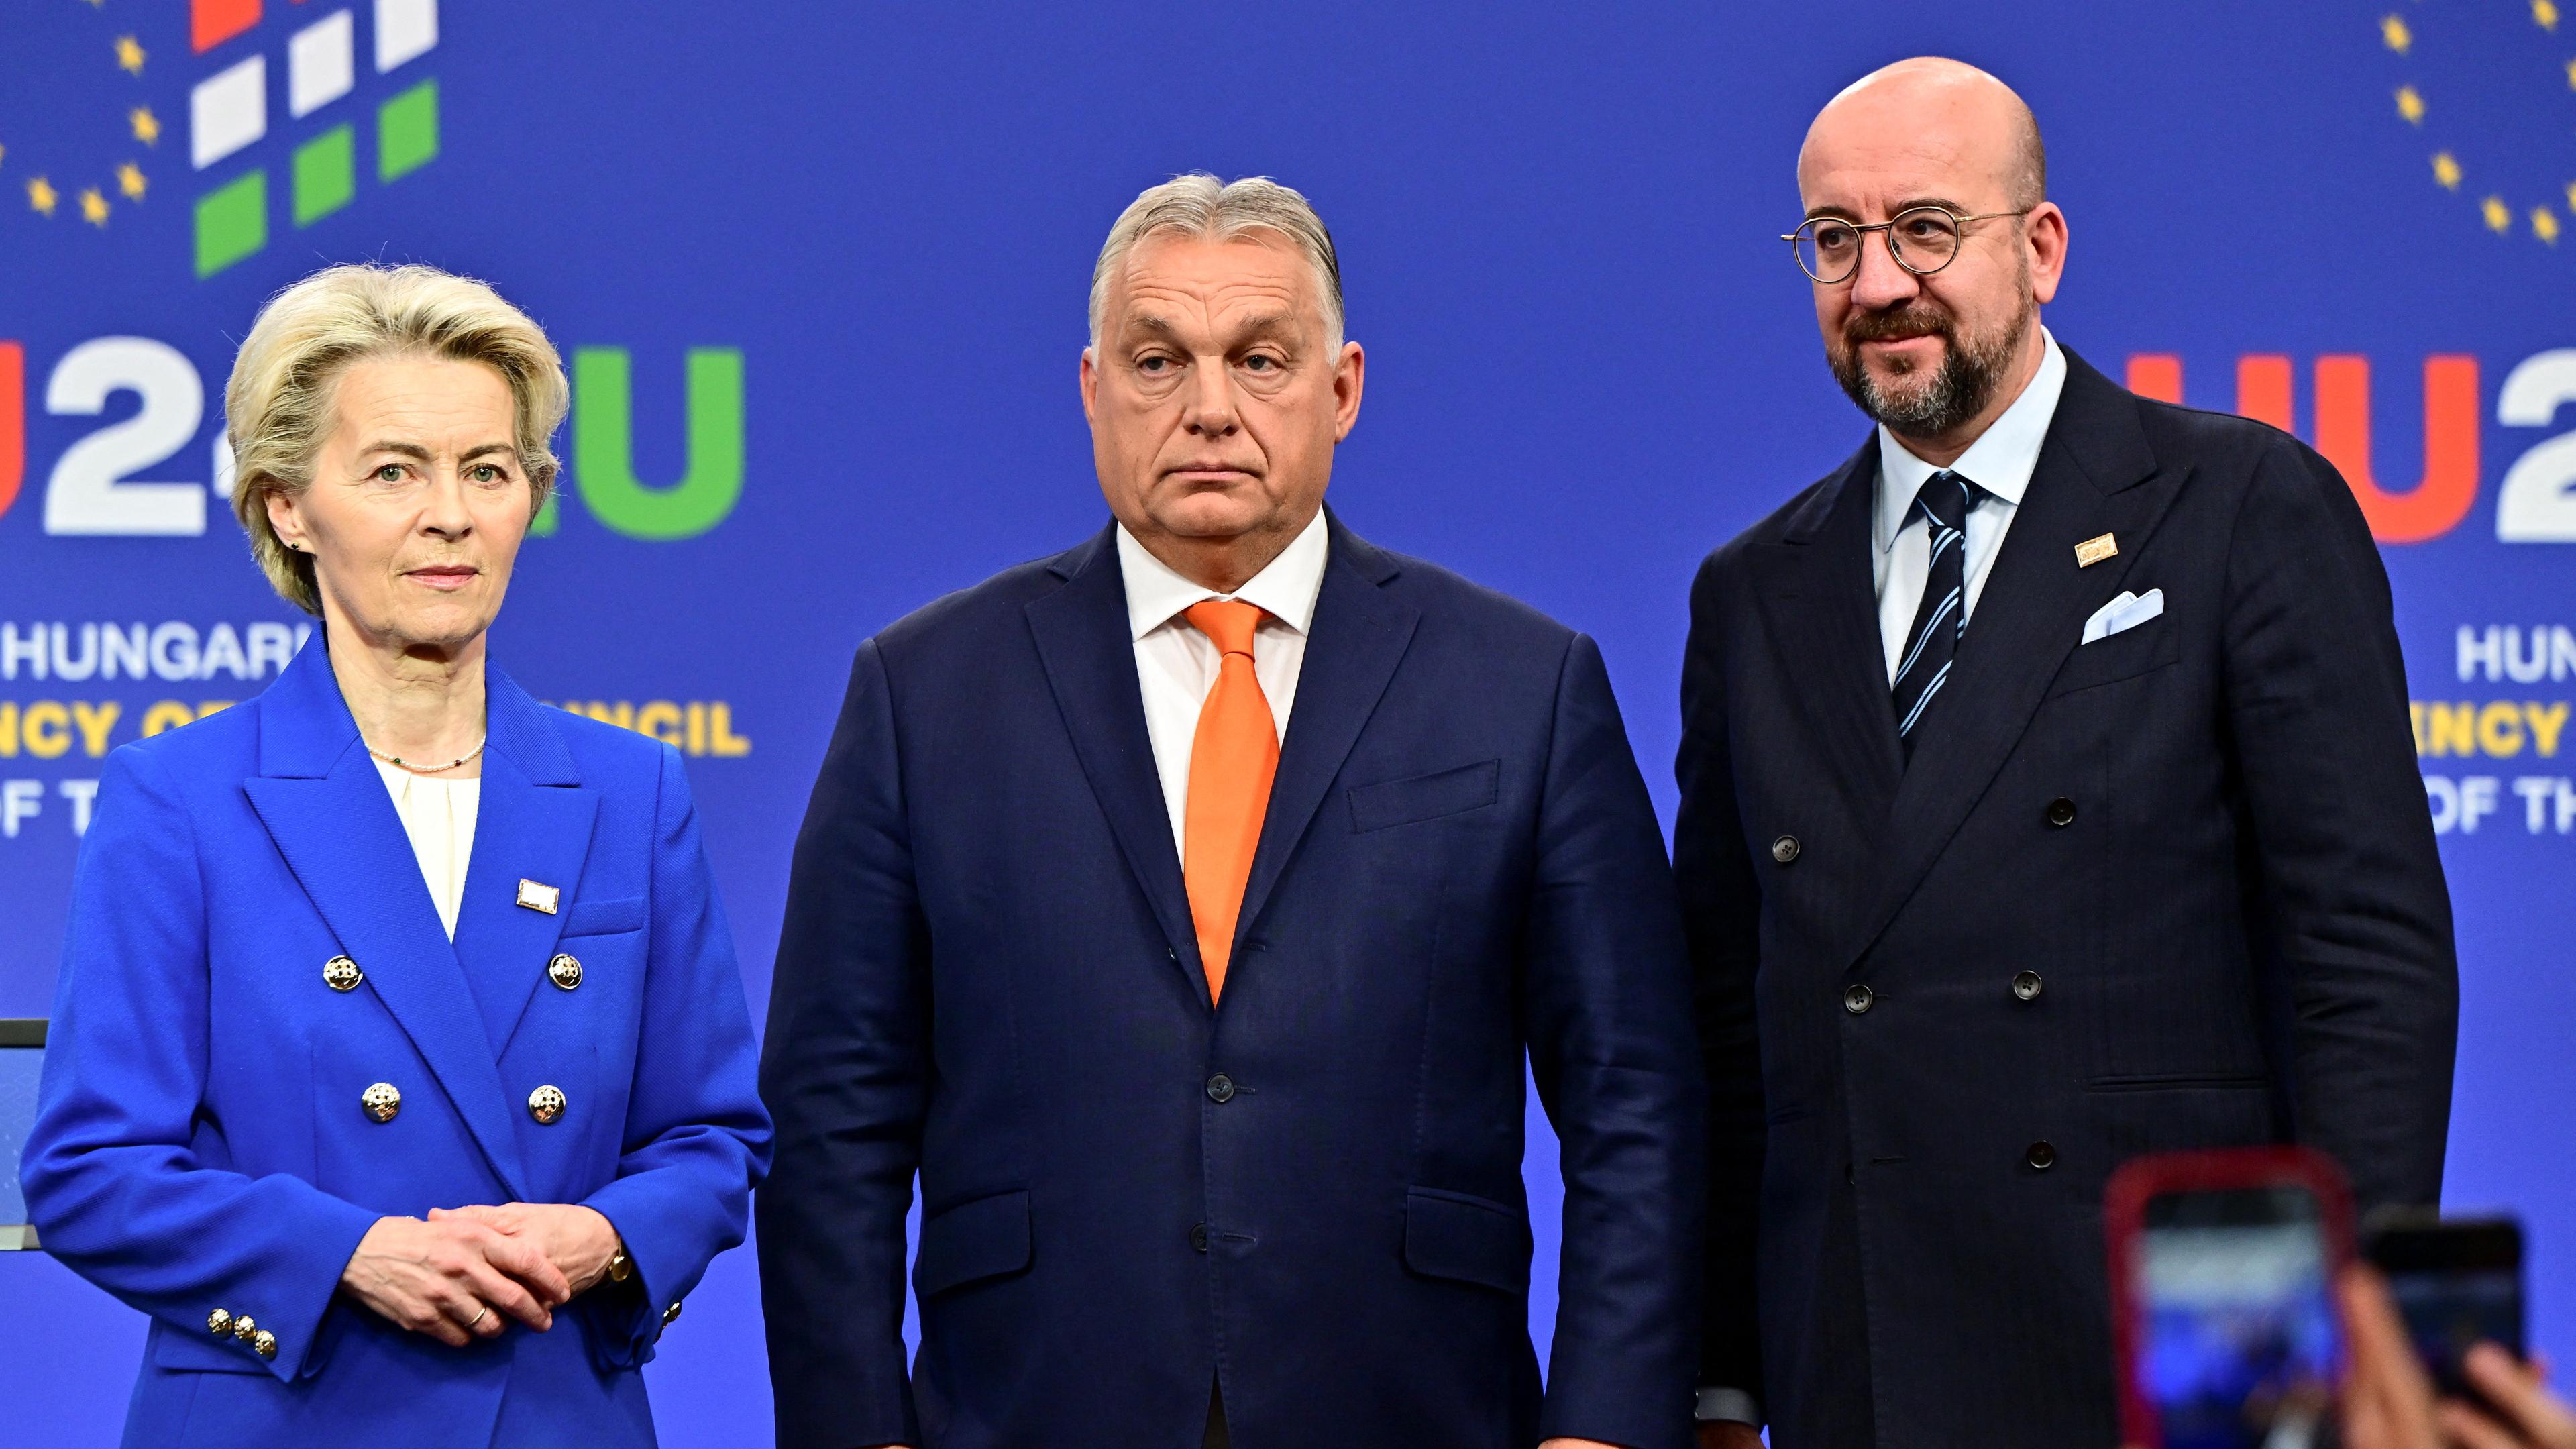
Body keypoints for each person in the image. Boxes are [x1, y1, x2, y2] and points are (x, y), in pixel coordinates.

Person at [759, 173, 1706, 1449]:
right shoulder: (922, 693)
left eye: (1261, 358)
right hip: (1028, 1412)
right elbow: (831, 1121)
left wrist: (1600, 1429)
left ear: (1343, 389)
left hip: (1418, 1409)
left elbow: (1633, 1104)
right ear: (1094, 390)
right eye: (1161, 360)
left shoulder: (1523, 686)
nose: (1210, 408)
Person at [1674, 58, 2458, 1448]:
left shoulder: (2240, 505)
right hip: (1861, 1362)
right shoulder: (1753, 592)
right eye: (1835, 241)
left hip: (2194, 1357)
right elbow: (1735, 1037)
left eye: (1925, 229)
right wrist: (1725, 1368)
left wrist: (2361, 1343)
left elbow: (2369, 962)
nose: (1876, 284)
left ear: (2040, 250)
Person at [18, 263, 773, 1448]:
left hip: (552, 1410)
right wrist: (348, 1253)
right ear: (286, 507)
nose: (451, 515)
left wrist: (608, 1238)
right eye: (392, 471)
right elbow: (90, 1170)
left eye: (489, 470)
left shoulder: (630, 793)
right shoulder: (180, 799)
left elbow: (712, 1138)